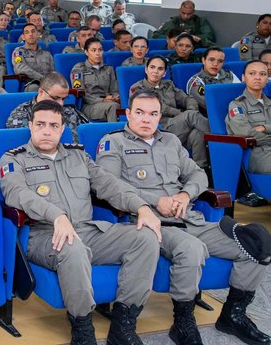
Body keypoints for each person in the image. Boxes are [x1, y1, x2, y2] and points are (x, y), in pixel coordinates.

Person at [97, 89, 271, 345]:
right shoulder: (113, 142)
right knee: (192, 249)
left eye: (153, 113)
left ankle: (233, 314)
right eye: (140, 113)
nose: (146, 119)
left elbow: (198, 175)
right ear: (129, 113)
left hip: (190, 218)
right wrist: (157, 201)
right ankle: (183, 322)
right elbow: (109, 187)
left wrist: (184, 195)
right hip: (149, 224)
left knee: (257, 243)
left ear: (160, 116)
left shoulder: (170, 141)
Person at [0, 100, 162, 345]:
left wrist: (141, 206)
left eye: (53, 125)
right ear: (30, 126)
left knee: (146, 238)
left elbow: (109, 185)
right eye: (40, 124)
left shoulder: (78, 155)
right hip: (45, 235)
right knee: (73, 248)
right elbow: (17, 194)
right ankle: (83, 329)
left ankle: (124, 324)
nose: (46, 130)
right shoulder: (14, 159)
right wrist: (57, 215)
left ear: (62, 128)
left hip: (88, 230)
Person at [129, 56, 210, 167]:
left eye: (160, 69)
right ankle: (221, 136)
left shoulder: (168, 85)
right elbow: (155, 108)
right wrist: (180, 113)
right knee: (191, 116)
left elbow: (187, 98)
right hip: (158, 129)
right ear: (146, 69)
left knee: (197, 133)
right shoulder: (137, 88)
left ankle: (200, 170)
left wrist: (191, 109)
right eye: (152, 67)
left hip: (178, 126)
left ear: (164, 73)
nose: (155, 71)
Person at [5, 72, 89, 140]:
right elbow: (21, 145)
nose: (61, 103)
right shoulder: (22, 114)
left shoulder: (70, 111)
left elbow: (88, 133)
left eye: (64, 99)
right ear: (41, 92)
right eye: (56, 98)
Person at [226, 60, 271, 174]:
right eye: (252, 73)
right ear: (243, 77)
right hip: (256, 153)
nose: (257, 77)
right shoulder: (237, 105)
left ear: (267, 79)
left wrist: (264, 127)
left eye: (263, 74)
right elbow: (245, 133)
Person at [71, 37, 120, 122]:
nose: (98, 53)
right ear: (86, 52)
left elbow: (114, 90)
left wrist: (115, 97)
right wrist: (102, 100)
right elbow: (80, 93)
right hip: (89, 106)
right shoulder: (79, 69)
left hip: (109, 102)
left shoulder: (108, 69)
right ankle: (114, 133)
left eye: (100, 50)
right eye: (93, 50)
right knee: (114, 107)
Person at [186, 46, 240, 113]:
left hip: (235, 112)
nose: (215, 64)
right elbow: (208, 104)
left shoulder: (230, 75)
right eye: (211, 59)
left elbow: (241, 95)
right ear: (203, 60)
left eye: (220, 61)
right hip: (209, 117)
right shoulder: (197, 81)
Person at [12, 23, 55, 92]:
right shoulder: (18, 52)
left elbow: (53, 72)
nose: (31, 34)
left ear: (38, 34)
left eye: (33, 31)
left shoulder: (47, 54)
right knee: (35, 88)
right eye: (27, 32)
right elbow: (20, 68)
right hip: (31, 84)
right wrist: (41, 78)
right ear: (23, 37)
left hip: (48, 84)